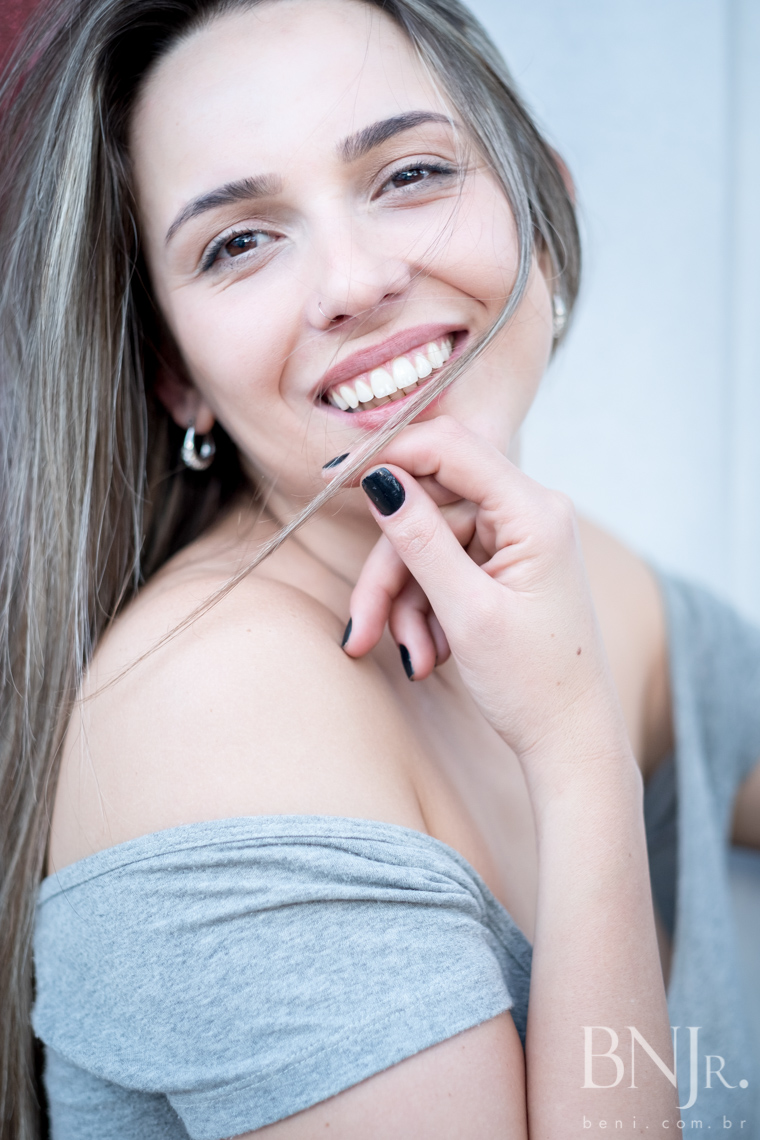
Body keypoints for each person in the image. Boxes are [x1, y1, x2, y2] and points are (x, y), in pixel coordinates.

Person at [0, 0, 758, 1136]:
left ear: (542, 208)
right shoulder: (215, 714)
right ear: (177, 374)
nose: (352, 280)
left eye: (409, 174)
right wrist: (577, 748)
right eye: (238, 242)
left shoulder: (563, 575)